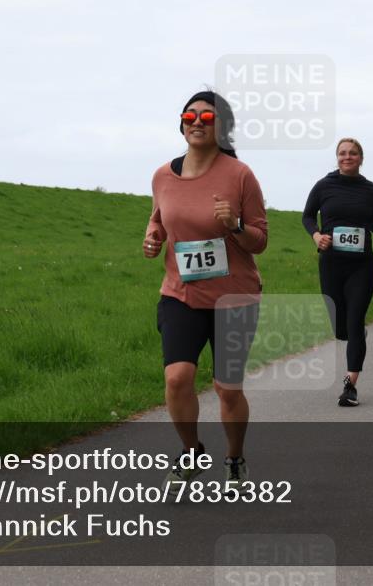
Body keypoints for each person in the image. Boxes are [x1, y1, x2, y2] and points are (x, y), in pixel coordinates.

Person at [144, 90, 267, 488]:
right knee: (177, 377)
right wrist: (152, 237)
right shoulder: (163, 175)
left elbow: (260, 239)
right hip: (181, 293)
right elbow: (159, 220)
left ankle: (235, 458)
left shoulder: (240, 174)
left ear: (222, 127)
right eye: (190, 115)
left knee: (227, 388)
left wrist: (233, 224)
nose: (198, 122)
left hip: (234, 297)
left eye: (208, 118)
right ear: (181, 123)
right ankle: (192, 450)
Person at [303, 138, 373, 407]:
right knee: (339, 325)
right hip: (331, 263)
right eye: (342, 153)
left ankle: (350, 385)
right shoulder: (324, 186)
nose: (347, 157)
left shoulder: (372, 190)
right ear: (337, 158)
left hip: (361, 265)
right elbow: (307, 216)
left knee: (354, 321)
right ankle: (354, 333)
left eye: (352, 153)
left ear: (361, 158)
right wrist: (316, 235)